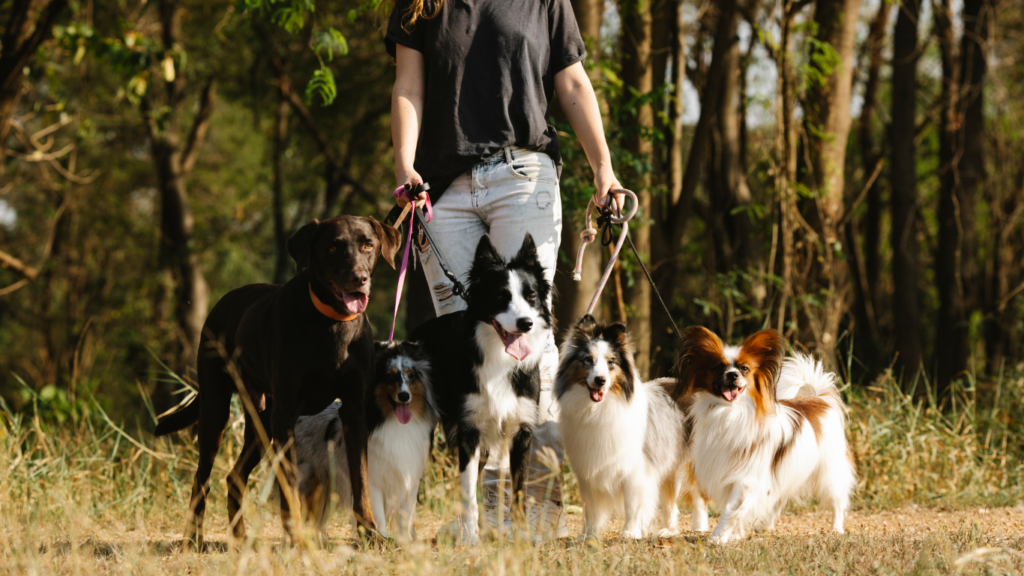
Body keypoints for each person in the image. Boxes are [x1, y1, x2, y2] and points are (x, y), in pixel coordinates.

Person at [385, 0, 623, 540]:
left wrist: (603, 170)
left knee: (530, 350)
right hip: (442, 192)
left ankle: (537, 511)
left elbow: (573, 84)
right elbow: (408, 88)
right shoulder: (421, 5)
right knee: (471, 360)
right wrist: (406, 166)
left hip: (525, 177)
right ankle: (487, 518)